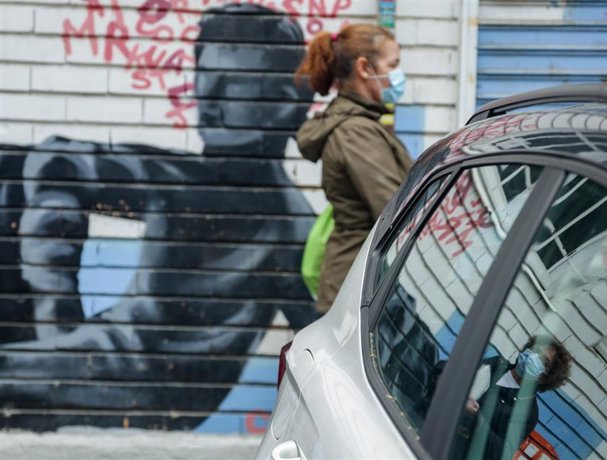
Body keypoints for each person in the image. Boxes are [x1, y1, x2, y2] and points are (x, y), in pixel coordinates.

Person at [0, 3, 316, 431]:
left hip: (142, 382)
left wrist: (56, 327)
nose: (207, 105)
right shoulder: (195, 185)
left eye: (228, 89)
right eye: (204, 85)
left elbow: (329, 337)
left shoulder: (289, 228)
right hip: (111, 363)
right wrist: (56, 318)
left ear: (283, 103)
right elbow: (57, 161)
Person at [294, 24, 414, 313]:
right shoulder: (356, 132)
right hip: (355, 291)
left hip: (360, 284)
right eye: (393, 65)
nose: (398, 75)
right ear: (364, 67)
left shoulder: (360, 124)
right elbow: (394, 210)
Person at [456, 334, 573, 460]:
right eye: (535, 350)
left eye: (543, 361)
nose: (533, 357)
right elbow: (449, 370)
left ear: (546, 377)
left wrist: (477, 421)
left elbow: (501, 452)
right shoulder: (495, 365)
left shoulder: (527, 413)